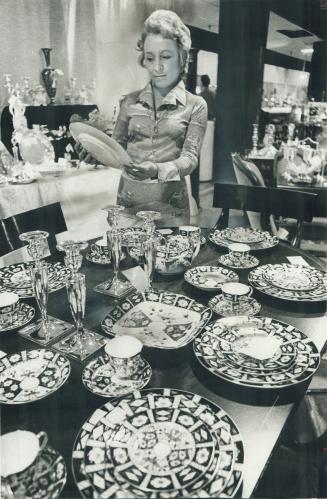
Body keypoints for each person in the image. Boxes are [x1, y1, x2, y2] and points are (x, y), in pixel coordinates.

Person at [76, 9, 208, 225]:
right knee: (127, 258)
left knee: (172, 259)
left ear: (182, 56)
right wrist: (96, 154)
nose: (157, 67)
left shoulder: (196, 105)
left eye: (166, 56)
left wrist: (156, 170)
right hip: (128, 207)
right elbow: (116, 148)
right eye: (150, 57)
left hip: (171, 209)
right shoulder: (129, 101)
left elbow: (190, 159)